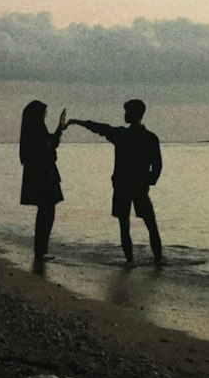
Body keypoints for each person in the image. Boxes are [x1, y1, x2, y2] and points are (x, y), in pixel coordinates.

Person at [67, 100, 162, 265]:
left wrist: (77, 122)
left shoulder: (123, 135)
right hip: (136, 186)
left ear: (133, 114)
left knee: (126, 225)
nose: (124, 115)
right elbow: (157, 165)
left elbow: (99, 128)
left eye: (126, 112)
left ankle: (131, 261)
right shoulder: (149, 137)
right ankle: (157, 260)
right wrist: (148, 181)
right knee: (149, 224)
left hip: (125, 186)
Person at [19, 102, 66, 263]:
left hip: (38, 175)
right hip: (44, 176)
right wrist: (59, 129)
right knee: (47, 213)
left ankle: (40, 250)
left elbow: (50, 143)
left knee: (45, 213)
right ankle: (41, 250)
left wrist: (59, 130)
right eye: (44, 112)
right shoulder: (37, 129)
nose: (45, 115)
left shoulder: (31, 130)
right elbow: (50, 145)